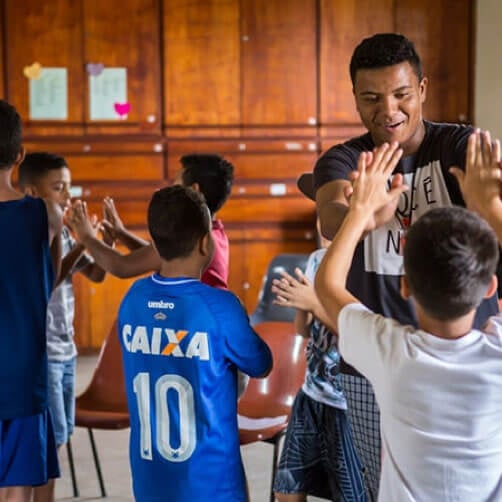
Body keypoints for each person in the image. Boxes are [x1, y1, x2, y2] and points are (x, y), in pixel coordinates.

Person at [312, 33, 500, 497]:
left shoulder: (460, 147)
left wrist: (490, 204)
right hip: (372, 359)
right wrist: (361, 213)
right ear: (355, 98)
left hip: (458, 354)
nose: (388, 110)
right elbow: (331, 215)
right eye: (371, 98)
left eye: (400, 94)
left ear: (422, 90)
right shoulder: (343, 159)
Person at [112, 185, 272, 502]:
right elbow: (261, 364)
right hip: (212, 480)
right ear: (204, 243)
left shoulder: (133, 299)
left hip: (149, 478)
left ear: (155, 244)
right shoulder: (220, 307)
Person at [17, 152, 111, 502]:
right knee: (51, 440)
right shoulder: (27, 231)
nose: (67, 196)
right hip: (45, 353)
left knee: (62, 433)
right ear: (31, 192)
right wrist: (81, 243)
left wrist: (101, 240)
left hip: (66, 349)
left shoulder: (67, 234)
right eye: (58, 188)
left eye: (69, 187)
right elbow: (49, 280)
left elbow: (98, 273)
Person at [271, 179, 366, 502]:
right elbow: (303, 331)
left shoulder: (363, 267)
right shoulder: (314, 260)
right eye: (320, 212)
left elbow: (362, 335)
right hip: (311, 395)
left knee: (351, 492)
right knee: (287, 487)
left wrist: (313, 302)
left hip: (346, 405)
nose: (323, 223)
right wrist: (300, 305)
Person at [0, 101, 63, 501]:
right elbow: (50, 279)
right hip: (23, 372)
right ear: (19, 156)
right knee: (18, 489)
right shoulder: (45, 213)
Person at [69, 153, 234, 289]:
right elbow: (164, 257)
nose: (171, 189)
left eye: (176, 184)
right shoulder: (215, 234)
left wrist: (86, 237)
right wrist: (122, 234)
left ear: (194, 190)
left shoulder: (190, 237)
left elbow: (122, 266)